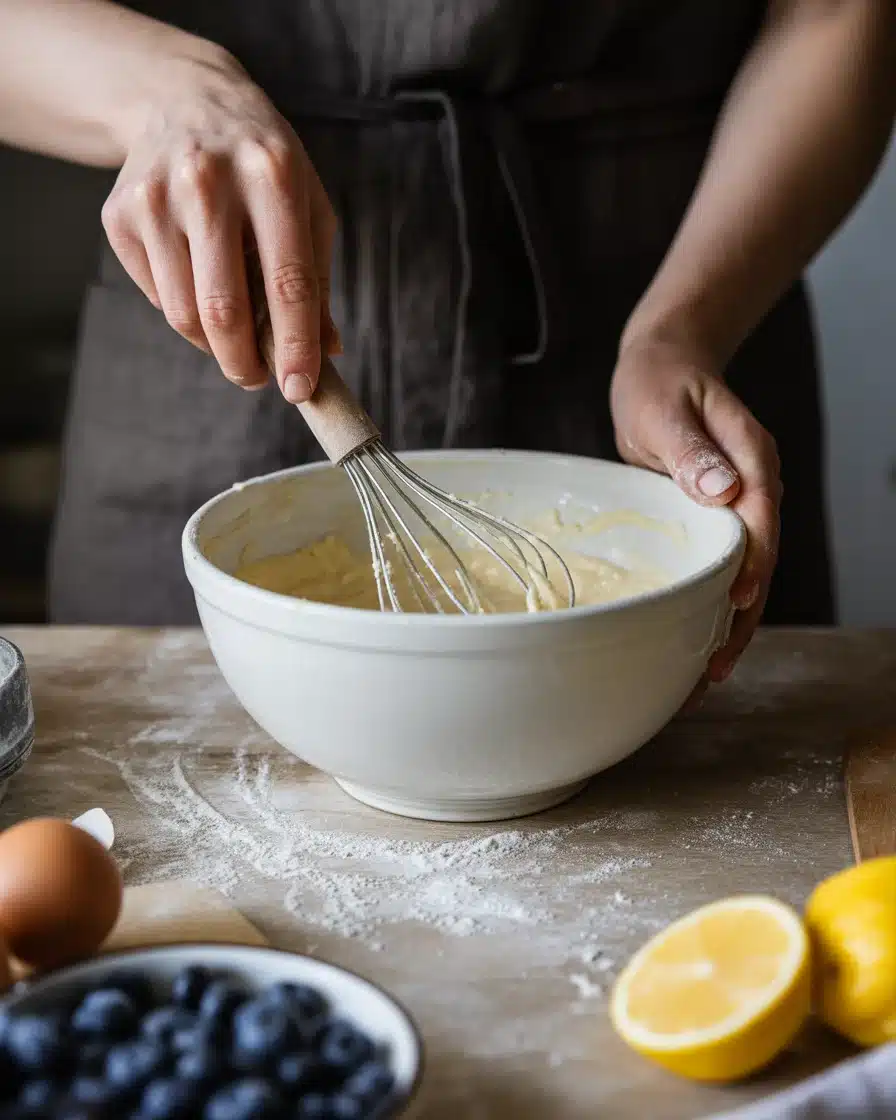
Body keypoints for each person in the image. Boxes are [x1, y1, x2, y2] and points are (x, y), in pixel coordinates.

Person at [1, 0, 893, 685]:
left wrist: (684, 330)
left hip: (684, 270)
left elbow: (834, 14)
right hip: (205, 304)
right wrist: (166, 91)